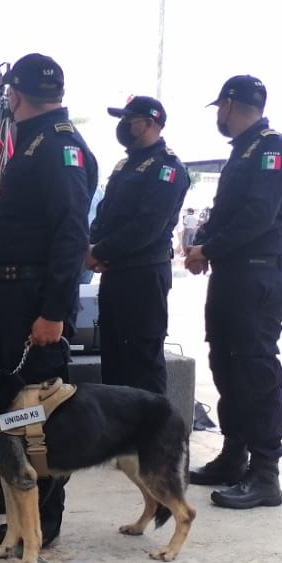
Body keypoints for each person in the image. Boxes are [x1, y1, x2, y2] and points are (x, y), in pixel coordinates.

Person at [0, 53, 98, 549]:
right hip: (9, 293)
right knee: (0, 400)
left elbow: (69, 233)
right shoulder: (31, 142)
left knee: (38, 411)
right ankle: (7, 487)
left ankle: (45, 520)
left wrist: (54, 311)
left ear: (12, 96)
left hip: (36, 300)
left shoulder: (59, 147)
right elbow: (22, 230)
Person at [185, 75, 282, 510]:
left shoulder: (271, 147)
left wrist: (208, 247)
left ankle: (265, 472)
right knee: (226, 366)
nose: (219, 115)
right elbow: (228, 211)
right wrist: (204, 245)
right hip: (233, 276)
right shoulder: (245, 150)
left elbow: (258, 215)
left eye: (220, 108)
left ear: (230, 105)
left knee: (255, 373)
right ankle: (234, 455)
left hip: (257, 277)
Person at [85, 96, 189, 394]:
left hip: (143, 276)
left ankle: (152, 436)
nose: (123, 125)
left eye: (129, 119)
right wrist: (93, 247)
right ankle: (118, 436)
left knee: (142, 360)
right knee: (114, 357)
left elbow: (147, 227)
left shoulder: (166, 168)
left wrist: (100, 251)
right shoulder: (125, 166)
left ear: (150, 122)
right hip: (115, 273)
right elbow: (104, 214)